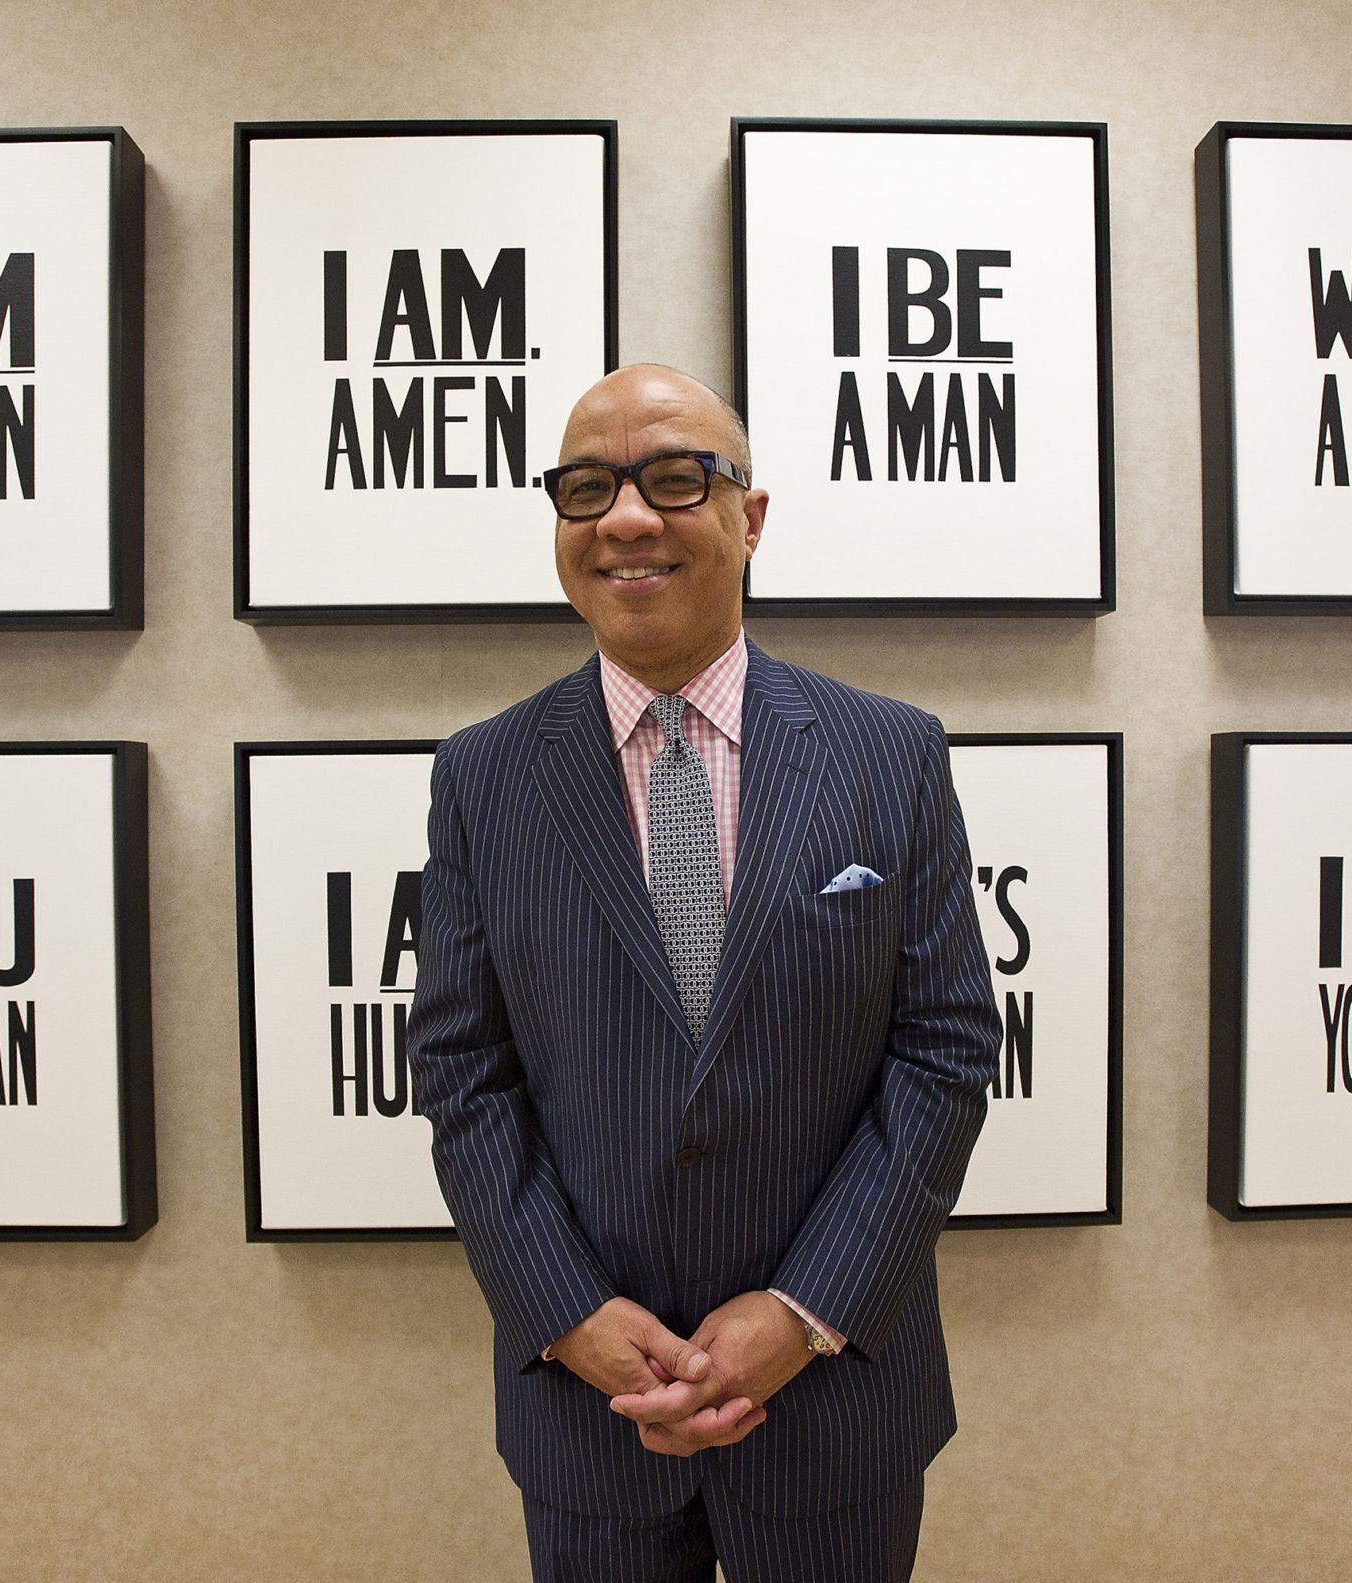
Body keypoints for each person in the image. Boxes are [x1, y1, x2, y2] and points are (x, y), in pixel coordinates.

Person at [410, 363, 1001, 1581]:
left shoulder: (891, 754)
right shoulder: (481, 777)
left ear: (752, 515)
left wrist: (802, 1309)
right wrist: (569, 1314)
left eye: (675, 477)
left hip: (836, 1404)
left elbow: (943, 1050)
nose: (626, 517)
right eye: (586, 487)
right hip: (592, 1413)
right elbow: (463, 1075)